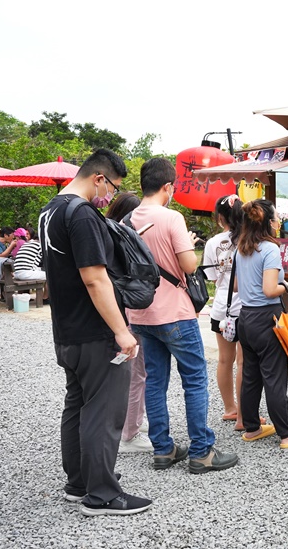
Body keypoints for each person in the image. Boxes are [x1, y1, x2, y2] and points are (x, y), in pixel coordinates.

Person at [38, 148, 151, 516]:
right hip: (95, 330)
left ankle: (79, 482)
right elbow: (94, 276)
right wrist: (121, 330)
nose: (111, 197)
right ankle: (102, 494)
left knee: (78, 404)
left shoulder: (50, 209)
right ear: (99, 178)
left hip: (66, 329)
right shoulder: (83, 214)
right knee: (103, 410)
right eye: (113, 188)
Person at [125, 157, 237, 474]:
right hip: (175, 312)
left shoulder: (127, 220)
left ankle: (163, 449)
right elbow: (188, 266)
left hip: (141, 315)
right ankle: (202, 451)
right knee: (194, 381)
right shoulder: (171, 218)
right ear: (168, 187)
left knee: (155, 382)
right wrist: (187, 242)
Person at [233, 199, 288, 449]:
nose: (279, 222)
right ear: (269, 223)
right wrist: (287, 287)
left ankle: (252, 428)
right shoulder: (269, 249)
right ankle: (286, 433)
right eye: (277, 218)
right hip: (267, 318)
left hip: (245, 318)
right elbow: (270, 290)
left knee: (251, 375)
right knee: (275, 377)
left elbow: (236, 286)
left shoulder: (242, 247)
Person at [104, 192, 152, 455]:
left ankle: (129, 422)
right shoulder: (125, 239)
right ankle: (129, 433)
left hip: (112, 315)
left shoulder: (104, 234)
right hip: (129, 317)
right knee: (136, 374)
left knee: (126, 373)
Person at [203, 194, 247, 430]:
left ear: (221, 217)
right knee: (243, 362)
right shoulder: (250, 240)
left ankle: (229, 408)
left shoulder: (212, 243)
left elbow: (212, 278)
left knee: (224, 360)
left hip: (221, 307)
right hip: (246, 308)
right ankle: (244, 413)